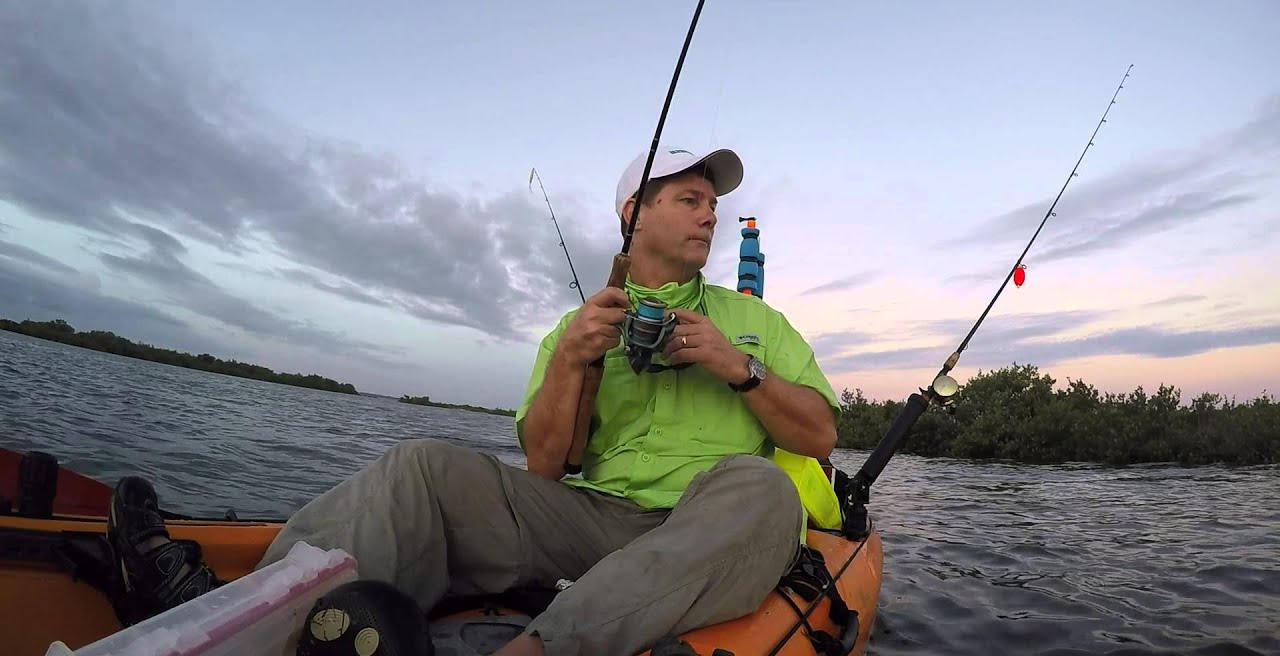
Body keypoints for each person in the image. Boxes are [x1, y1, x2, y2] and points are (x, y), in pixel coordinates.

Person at [106, 145, 843, 656]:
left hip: (703, 528)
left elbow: (817, 437)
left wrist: (733, 365)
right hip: (592, 520)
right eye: (690, 199)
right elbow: (546, 467)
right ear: (634, 213)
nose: (710, 216)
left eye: (713, 205)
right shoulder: (576, 327)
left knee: (764, 488)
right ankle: (238, 618)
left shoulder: (758, 325)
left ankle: (538, 648)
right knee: (421, 465)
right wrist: (572, 362)